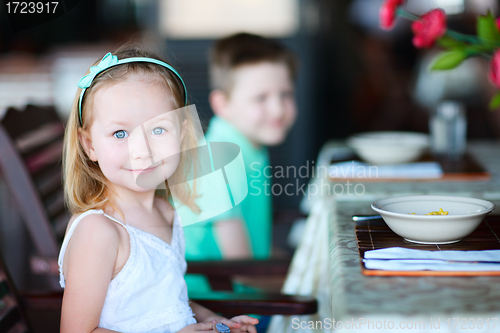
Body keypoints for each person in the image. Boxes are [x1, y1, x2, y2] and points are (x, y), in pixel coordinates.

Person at [58, 44, 259, 333]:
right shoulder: (99, 233)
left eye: (158, 129)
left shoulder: (167, 211)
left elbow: (171, 302)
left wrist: (214, 322)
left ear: (182, 133)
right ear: (89, 144)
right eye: (120, 133)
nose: (142, 150)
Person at [182, 33, 298, 292]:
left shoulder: (247, 147)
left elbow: (258, 249)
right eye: (261, 98)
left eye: (286, 94)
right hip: (224, 312)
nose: (278, 109)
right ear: (222, 104)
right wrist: (309, 286)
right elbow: (242, 272)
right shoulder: (219, 163)